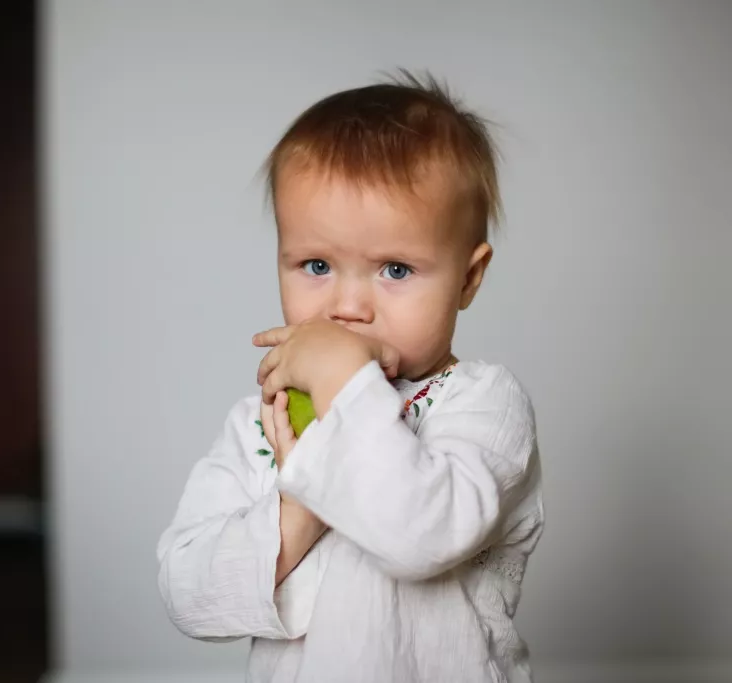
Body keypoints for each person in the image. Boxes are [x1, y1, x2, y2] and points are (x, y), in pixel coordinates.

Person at [156, 72, 544, 683]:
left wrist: (342, 385)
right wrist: (298, 511)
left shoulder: (483, 406)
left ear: (468, 279)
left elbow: (422, 534)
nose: (348, 308)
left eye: (394, 269)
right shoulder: (261, 422)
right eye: (316, 265)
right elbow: (188, 593)